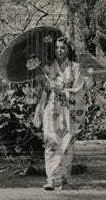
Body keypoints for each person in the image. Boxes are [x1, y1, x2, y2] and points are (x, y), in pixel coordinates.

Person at [28, 36, 86, 190]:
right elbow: (41, 91)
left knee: (66, 143)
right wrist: (46, 86)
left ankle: (64, 179)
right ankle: (52, 179)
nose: (59, 51)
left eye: (63, 48)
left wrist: (64, 91)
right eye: (57, 48)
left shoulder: (75, 68)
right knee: (51, 141)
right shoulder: (47, 68)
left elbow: (79, 90)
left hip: (67, 110)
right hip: (51, 109)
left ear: (68, 50)